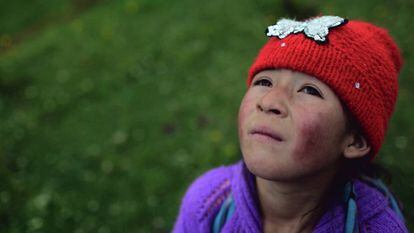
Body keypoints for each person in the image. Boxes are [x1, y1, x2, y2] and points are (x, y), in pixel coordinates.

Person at [173, 15, 409, 233]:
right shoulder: (208, 202)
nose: (269, 101)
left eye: (309, 90)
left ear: (355, 140)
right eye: (264, 81)